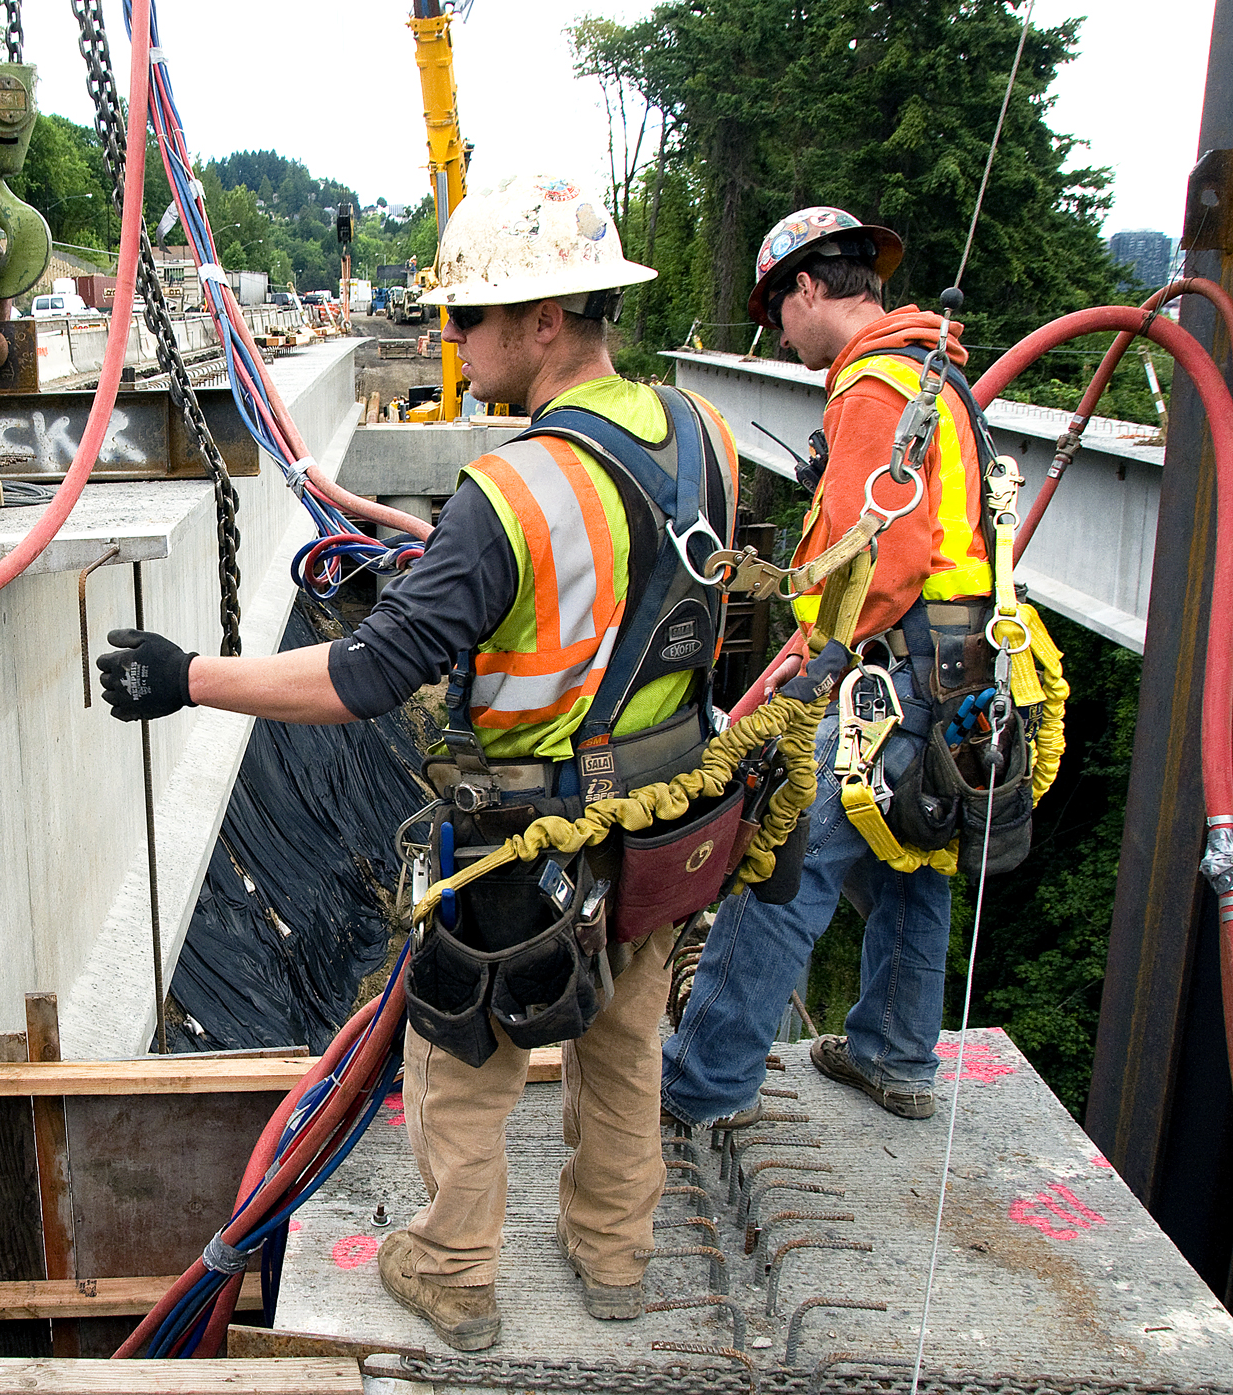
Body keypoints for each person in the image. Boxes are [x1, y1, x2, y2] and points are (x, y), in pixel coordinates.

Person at [98, 171, 740, 1345]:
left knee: (468, 1055)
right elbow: (619, 593)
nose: (449, 337)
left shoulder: (512, 490)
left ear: (544, 322)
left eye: (467, 318)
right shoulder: (701, 435)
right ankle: (614, 1258)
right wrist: (440, 553)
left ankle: (453, 1271)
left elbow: (366, 677)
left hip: (528, 837)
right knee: (624, 1039)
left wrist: (188, 677)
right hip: (670, 813)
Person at [660, 207, 995, 1132]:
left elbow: (874, 561)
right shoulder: (930, 373)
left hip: (896, 671)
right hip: (958, 669)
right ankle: (895, 1051)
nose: (779, 334)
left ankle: (701, 1081)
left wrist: (814, 657)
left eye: (778, 314)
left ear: (808, 288)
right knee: (911, 855)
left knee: (785, 863)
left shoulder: (873, 390)